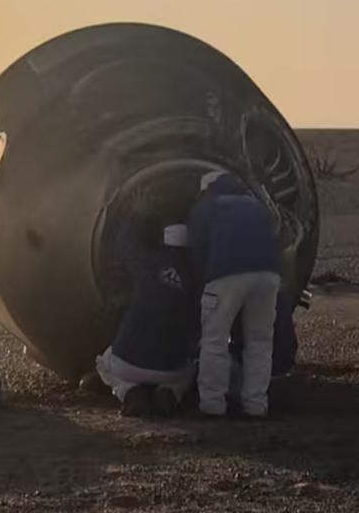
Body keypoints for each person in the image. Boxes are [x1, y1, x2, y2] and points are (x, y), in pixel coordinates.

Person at [188, 170, 282, 418]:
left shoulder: (207, 205)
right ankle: (256, 405)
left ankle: (212, 405)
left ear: (206, 189)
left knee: (214, 340)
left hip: (226, 275)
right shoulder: (257, 203)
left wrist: (197, 285)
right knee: (260, 341)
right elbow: (277, 233)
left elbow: (196, 248)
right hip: (268, 275)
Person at [94, 221, 200, 417]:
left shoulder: (149, 261)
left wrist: (135, 215)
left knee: (104, 363)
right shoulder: (197, 278)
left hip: (129, 362)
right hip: (171, 369)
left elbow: (124, 246)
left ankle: (130, 392)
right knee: (192, 367)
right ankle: (169, 393)